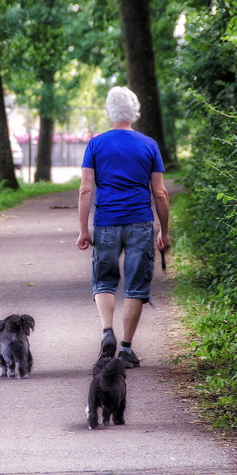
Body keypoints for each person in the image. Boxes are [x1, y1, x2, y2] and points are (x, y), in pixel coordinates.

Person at [76, 86, 170, 368]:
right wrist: (164, 231)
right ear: (135, 112)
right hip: (140, 222)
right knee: (136, 285)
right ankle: (126, 348)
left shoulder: (96, 144)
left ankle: (107, 331)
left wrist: (84, 230)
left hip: (106, 222)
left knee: (104, 281)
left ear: (109, 112)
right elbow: (160, 193)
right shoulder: (149, 145)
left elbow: (85, 189)